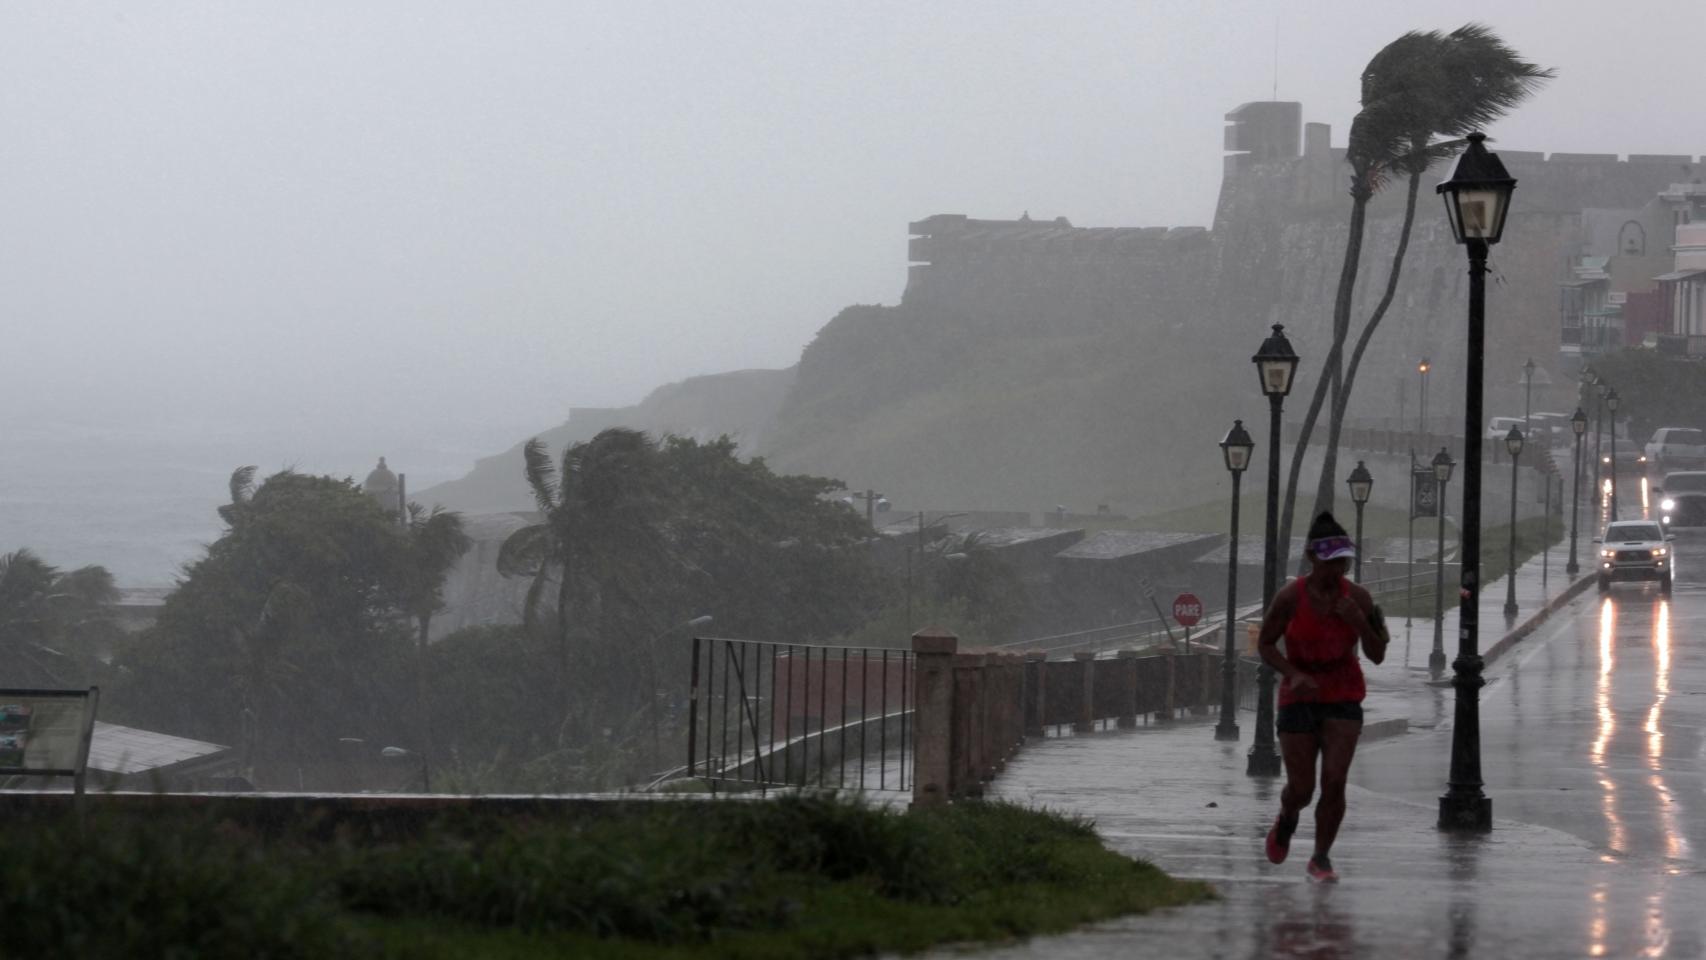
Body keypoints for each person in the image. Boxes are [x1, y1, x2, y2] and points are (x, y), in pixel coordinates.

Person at [1258, 512, 1389, 882]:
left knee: (1334, 780)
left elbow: (1379, 653)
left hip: (1343, 694)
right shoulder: (1289, 596)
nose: (1338, 571)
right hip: (1299, 696)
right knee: (1302, 789)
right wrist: (1292, 674)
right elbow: (1266, 644)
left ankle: (1321, 857)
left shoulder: (1360, 598)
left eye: (1344, 562)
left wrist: (1360, 622)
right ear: (1313, 559)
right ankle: (1287, 818)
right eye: (1331, 562)